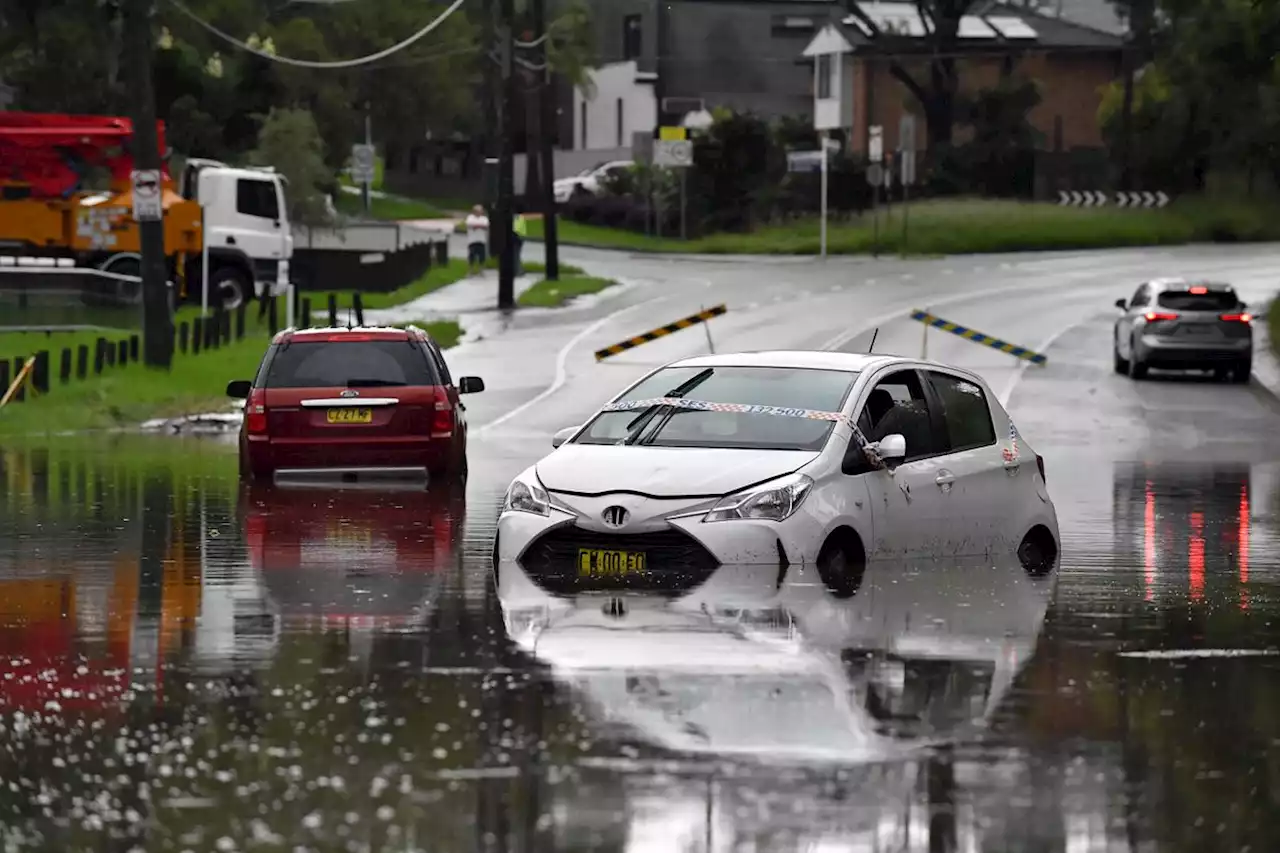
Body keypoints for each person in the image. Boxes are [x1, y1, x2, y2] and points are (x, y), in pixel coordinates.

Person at [465, 205, 490, 276]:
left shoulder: (484, 218)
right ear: (474, 211)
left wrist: (476, 226)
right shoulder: (470, 218)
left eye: (481, 210)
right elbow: (469, 224)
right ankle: (470, 271)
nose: (480, 212)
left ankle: (481, 271)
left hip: (481, 240)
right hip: (472, 240)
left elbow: (486, 225)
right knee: (471, 256)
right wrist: (480, 226)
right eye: (478, 211)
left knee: (482, 256)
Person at [513, 212, 528, 276]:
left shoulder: (518, 217)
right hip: (518, 238)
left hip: (517, 238)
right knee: (516, 255)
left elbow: (516, 229)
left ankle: (518, 271)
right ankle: (519, 270)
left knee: (515, 255)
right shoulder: (519, 216)